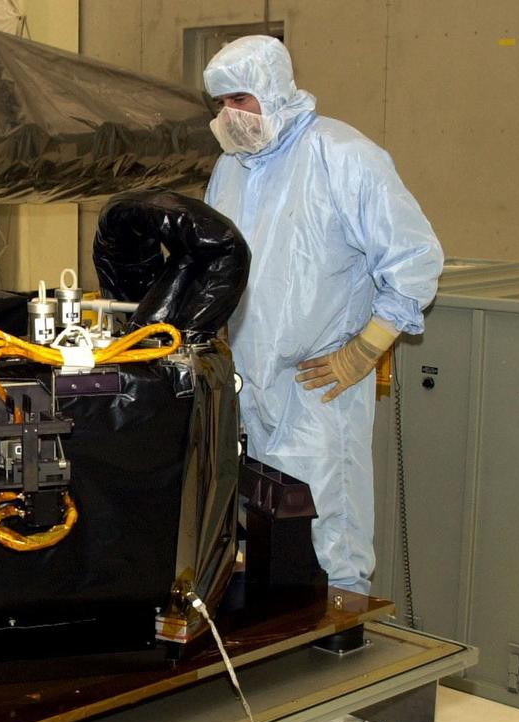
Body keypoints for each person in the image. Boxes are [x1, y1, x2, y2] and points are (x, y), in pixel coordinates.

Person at [202, 36, 443, 596]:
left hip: (318, 390)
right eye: (218, 104)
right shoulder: (229, 169)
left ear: (272, 89)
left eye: (240, 98)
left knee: (327, 525)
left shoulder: (343, 157)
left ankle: (341, 643)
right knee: (256, 527)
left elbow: (415, 260)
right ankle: (278, 649)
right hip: (248, 385)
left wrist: (365, 350)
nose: (228, 116)